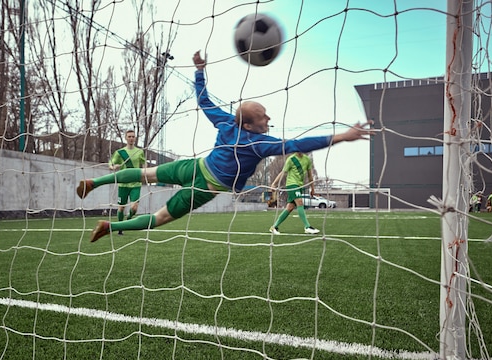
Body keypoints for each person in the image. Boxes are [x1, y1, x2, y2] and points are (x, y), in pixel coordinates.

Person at [77, 51, 374, 242]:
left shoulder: (227, 123)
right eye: (263, 116)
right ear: (249, 124)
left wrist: (199, 71)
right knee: (160, 218)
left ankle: (94, 183)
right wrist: (339, 136)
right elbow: (296, 143)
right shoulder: (258, 143)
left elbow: (204, 101)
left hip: (192, 166)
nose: (268, 118)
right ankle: (109, 227)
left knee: (145, 173)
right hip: (206, 185)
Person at [269, 152, 318, 235]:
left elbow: (310, 176)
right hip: (292, 185)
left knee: (290, 207)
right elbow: (283, 172)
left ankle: (274, 226)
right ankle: (307, 227)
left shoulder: (307, 160)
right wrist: (274, 183)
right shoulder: (291, 159)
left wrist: (312, 188)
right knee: (300, 202)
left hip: (299, 186)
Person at [109, 129, 146, 235]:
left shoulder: (139, 152)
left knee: (134, 208)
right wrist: (113, 167)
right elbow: (110, 164)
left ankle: (129, 218)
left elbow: (144, 164)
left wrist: (146, 174)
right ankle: (120, 228)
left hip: (136, 184)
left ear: (135, 138)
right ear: (126, 138)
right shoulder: (120, 152)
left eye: (133, 136)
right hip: (123, 184)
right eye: (129, 136)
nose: (131, 138)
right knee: (121, 208)